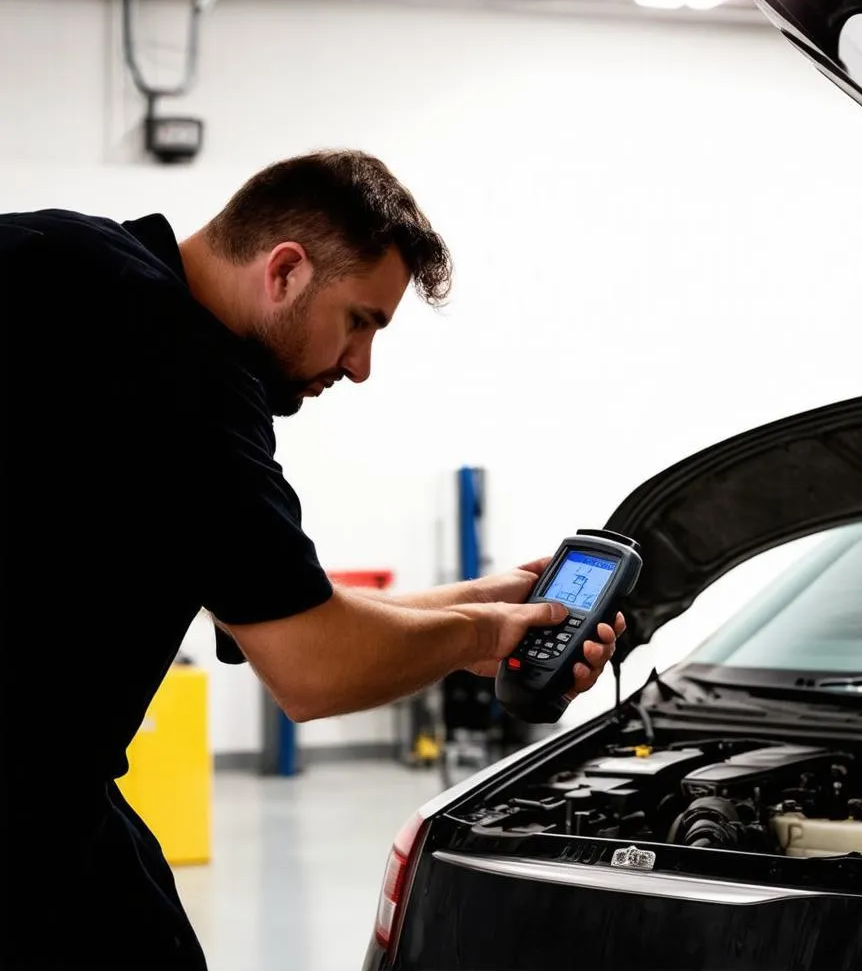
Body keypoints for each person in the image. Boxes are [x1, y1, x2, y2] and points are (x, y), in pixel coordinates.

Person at [0, 149, 624, 970]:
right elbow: (312, 668)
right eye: (362, 321)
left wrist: (486, 601)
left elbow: (283, 610)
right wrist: (484, 635)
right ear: (286, 270)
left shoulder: (63, 259)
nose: (360, 366)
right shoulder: (185, 371)